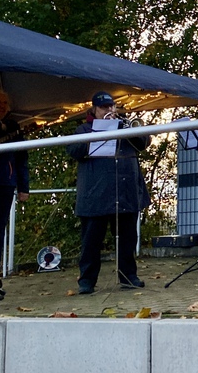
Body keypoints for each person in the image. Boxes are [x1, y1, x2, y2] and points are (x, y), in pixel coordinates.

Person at [66, 92, 151, 294]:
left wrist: (131, 128)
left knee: (128, 238)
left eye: (112, 107)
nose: (110, 111)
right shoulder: (83, 129)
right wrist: (95, 136)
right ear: (94, 110)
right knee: (91, 241)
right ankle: (86, 280)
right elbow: (73, 150)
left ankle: (128, 276)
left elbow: (144, 143)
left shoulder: (125, 126)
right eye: (104, 108)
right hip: (96, 195)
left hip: (125, 192)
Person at [0, 91, 29, 281]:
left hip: (5, 181)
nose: (1, 106)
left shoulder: (13, 127)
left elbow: (21, 158)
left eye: (4, 102)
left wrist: (23, 187)